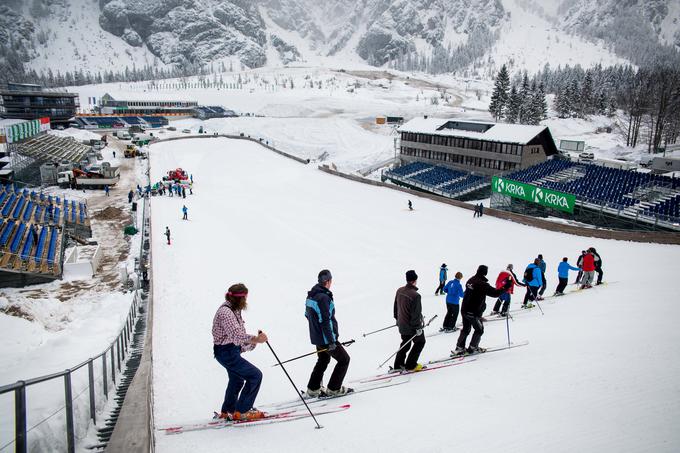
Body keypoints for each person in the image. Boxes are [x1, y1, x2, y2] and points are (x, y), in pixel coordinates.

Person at [212, 283, 268, 420]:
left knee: (236, 380)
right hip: (226, 353)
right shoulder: (226, 313)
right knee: (255, 375)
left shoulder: (234, 309)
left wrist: (254, 343)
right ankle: (242, 411)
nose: (246, 301)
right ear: (240, 298)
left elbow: (237, 339)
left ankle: (229, 410)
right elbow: (236, 337)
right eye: (245, 298)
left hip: (228, 351)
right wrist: (256, 339)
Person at [305, 269, 352, 397]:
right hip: (326, 339)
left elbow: (307, 315)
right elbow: (325, 321)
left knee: (323, 360)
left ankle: (313, 389)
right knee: (344, 360)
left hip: (317, 337)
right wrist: (331, 341)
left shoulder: (311, 295)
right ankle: (334, 389)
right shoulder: (323, 297)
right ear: (328, 281)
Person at [454, 265, 510, 354]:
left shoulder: (471, 280)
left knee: (466, 329)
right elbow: (495, 293)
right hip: (473, 312)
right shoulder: (482, 284)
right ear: (485, 273)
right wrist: (506, 287)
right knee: (479, 330)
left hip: (464, 309)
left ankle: (459, 347)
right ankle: (473, 347)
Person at [393, 270, 426, 372]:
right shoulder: (415, 295)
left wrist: (397, 319)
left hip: (402, 324)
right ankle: (411, 365)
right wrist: (418, 328)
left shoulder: (399, 290)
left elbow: (395, 307)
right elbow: (415, 315)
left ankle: (398, 364)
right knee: (420, 342)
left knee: (405, 343)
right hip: (411, 326)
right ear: (415, 280)